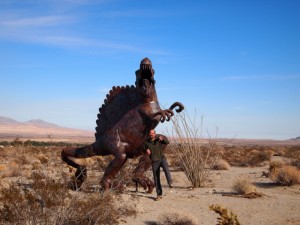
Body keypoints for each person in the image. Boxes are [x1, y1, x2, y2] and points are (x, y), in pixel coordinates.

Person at [144, 129, 172, 201]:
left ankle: (170, 182)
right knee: (156, 178)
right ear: (149, 134)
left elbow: (167, 142)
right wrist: (146, 150)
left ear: (155, 134)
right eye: (150, 134)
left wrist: (162, 139)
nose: (151, 135)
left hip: (162, 159)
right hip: (154, 161)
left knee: (166, 169)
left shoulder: (158, 140)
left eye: (152, 133)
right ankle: (159, 195)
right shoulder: (146, 142)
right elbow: (143, 148)